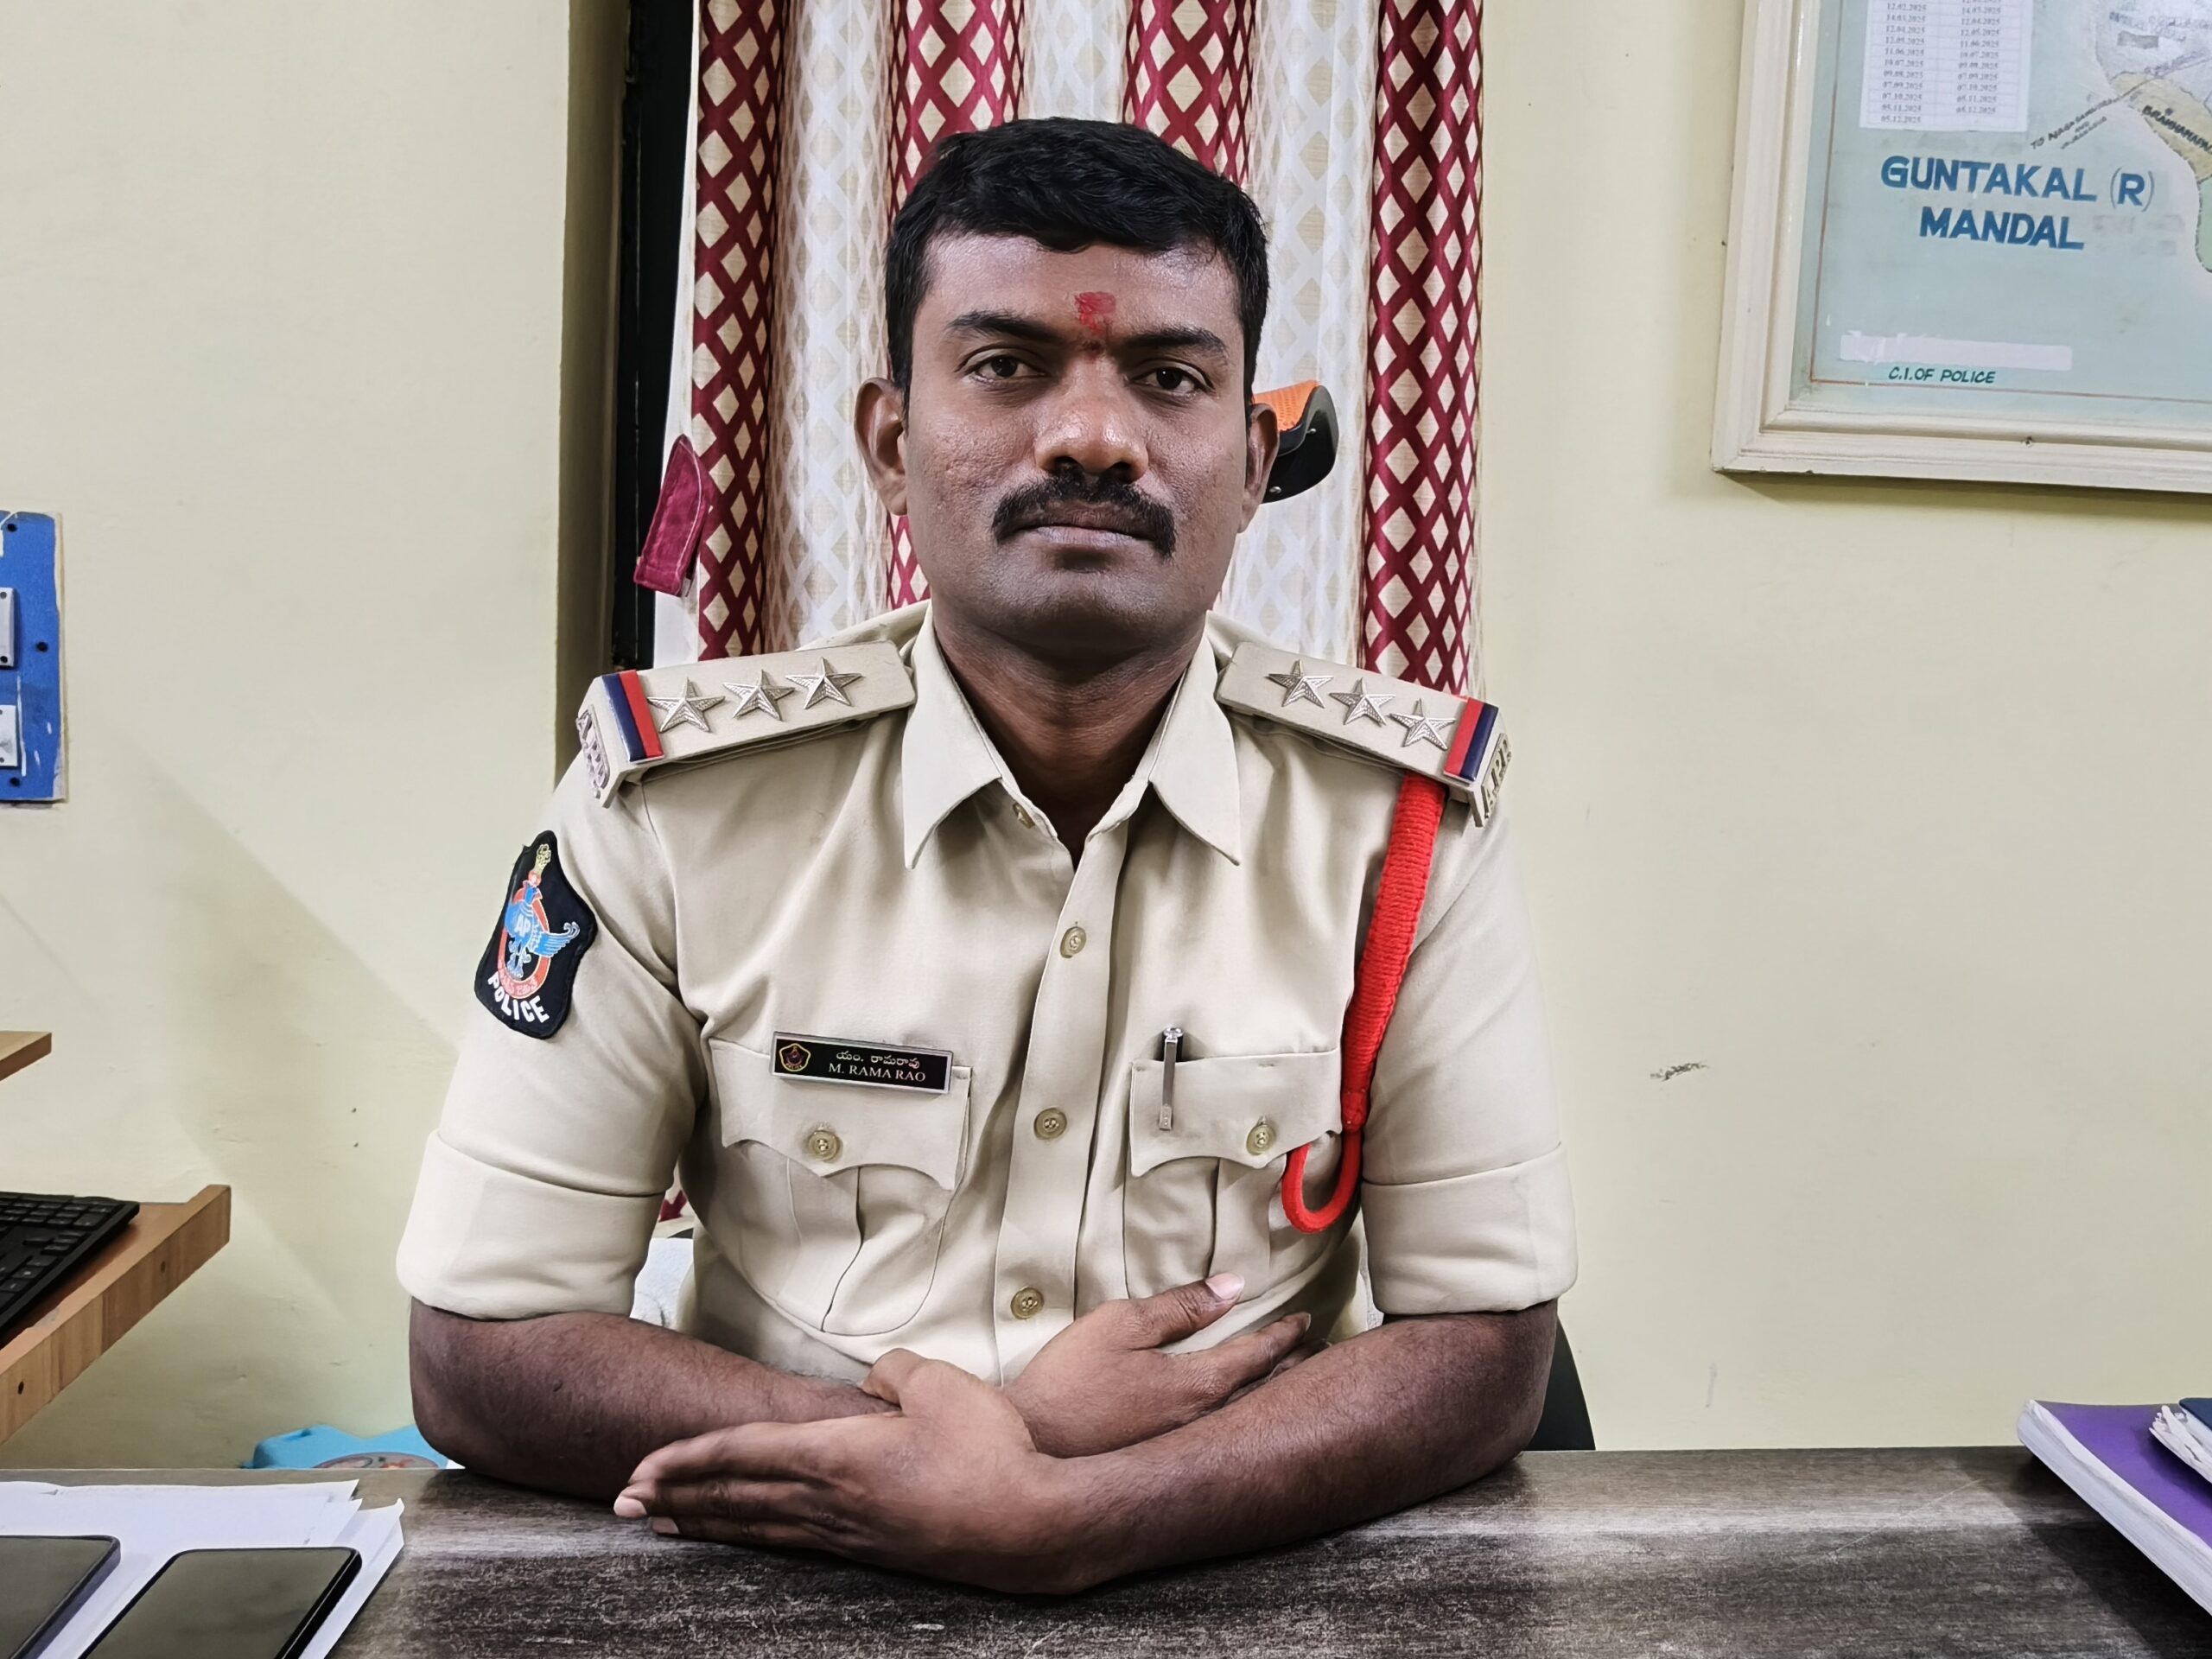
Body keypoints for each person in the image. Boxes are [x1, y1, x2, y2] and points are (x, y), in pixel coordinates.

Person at [397, 117, 1574, 1593]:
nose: (1091, 437)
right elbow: (481, 1350)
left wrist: (1078, 1517)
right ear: (892, 443)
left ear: (1254, 457)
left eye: (1171, 377)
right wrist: (989, 1453)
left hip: (1238, 1574)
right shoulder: (674, 806)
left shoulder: (1399, 823)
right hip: (781, 1581)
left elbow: (1485, 1348)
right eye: (1008, 366)